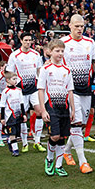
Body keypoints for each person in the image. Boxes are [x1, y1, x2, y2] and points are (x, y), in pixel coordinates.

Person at [61, 14, 95, 174]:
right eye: (76, 26)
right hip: (69, 90)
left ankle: (66, 151)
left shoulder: (90, 43)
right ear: (69, 25)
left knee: (81, 125)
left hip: (86, 88)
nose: (79, 29)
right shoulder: (63, 42)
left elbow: (94, 64)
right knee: (76, 123)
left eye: (82, 26)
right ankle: (83, 162)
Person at [38, 39, 76, 177]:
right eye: (57, 51)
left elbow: (70, 91)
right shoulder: (45, 69)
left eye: (62, 51)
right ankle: (49, 159)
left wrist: (72, 109)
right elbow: (41, 90)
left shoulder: (67, 70)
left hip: (64, 107)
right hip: (51, 106)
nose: (60, 53)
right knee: (54, 136)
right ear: (50, 52)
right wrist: (43, 109)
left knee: (62, 137)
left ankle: (59, 165)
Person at [6, 32, 43, 153]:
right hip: (20, 91)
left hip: (33, 89)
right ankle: (25, 143)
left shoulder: (36, 54)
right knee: (22, 117)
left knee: (39, 111)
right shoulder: (14, 55)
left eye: (30, 40)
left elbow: (39, 70)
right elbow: (9, 73)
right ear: (21, 41)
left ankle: (37, 141)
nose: (28, 42)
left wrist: (41, 85)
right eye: (26, 40)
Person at [0, 73, 25, 157]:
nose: (15, 81)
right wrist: (3, 118)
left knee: (17, 133)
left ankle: (9, 141)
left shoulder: (18, 90)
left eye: (16, 79)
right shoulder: (5, 92)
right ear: (8, 80)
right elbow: (2, 106)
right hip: (9, 115)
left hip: (18, 114)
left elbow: (21, 103)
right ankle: (15, 150)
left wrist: (24, 114)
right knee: (12, 133)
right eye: (13, 79)